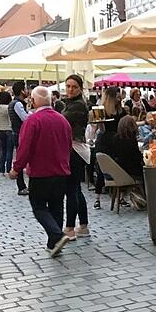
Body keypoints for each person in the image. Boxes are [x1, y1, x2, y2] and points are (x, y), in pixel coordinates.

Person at [9, 86, 72, 257]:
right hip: (60, 171)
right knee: (57, 207)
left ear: (34, 101)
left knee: (38, 206)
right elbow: (68, 145)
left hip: (40, 172)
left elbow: (25, 148)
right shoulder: (63, 120)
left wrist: (16, 168)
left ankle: (57, 236)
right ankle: (54, 244)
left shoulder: (33, 120)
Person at [62, 74, 90, 240]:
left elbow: (61, 122)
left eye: (74, 87)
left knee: (71, 189)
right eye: (68, 86)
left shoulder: (78, 105)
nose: (70, 89)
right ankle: (84, 225)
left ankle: (70, 228)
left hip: (75, 150)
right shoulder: (72, 103)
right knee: (76, 190)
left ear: (80, 89)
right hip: (74, 149)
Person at [96, 115, 145, 209]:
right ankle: (142, 197)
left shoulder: (115, 138)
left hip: (117, 171)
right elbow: (136, 158)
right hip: (129, 172)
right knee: (145, 173)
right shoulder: (131, 141)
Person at [8, 82, 30, 195]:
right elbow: (25, 118)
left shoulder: (15, 103)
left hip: (17, 133)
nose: (27, 91)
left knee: (21, 158)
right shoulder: (18, 104)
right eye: (26, 89)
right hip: (19, 134)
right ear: (22, 91)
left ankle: (23, 186)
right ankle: (21, 186)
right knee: (21, 159)